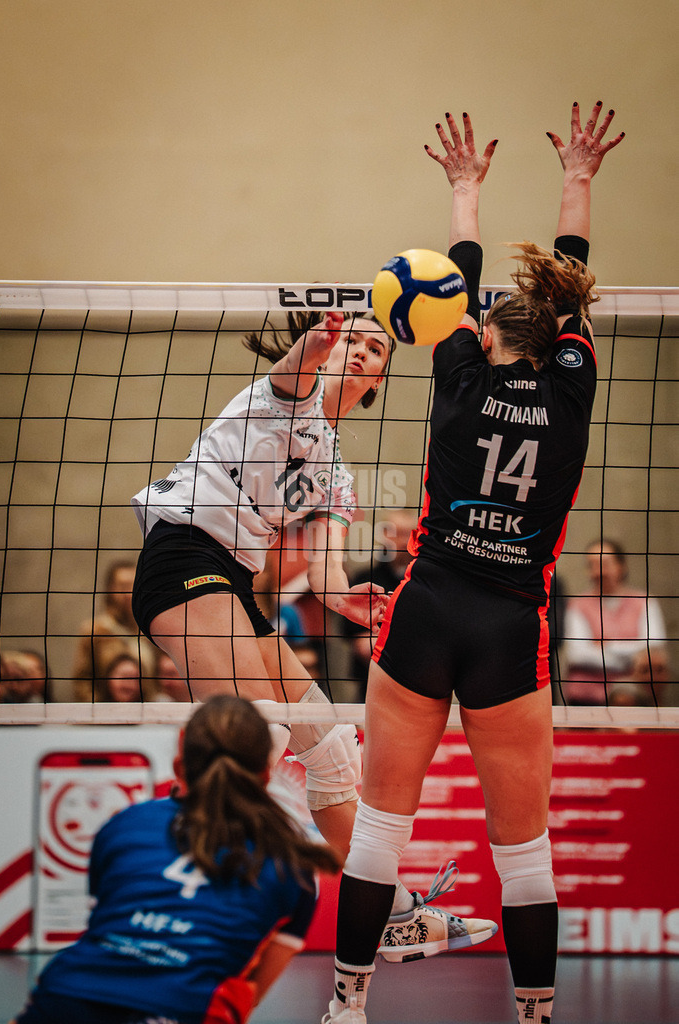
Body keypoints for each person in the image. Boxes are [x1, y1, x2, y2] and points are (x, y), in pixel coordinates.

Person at [321, 101, 624, 1024]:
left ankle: (346, 1006)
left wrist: (463, 192)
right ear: (559, 343)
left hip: (428, 606)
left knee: (378, 831)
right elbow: (565, 290)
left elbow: (455, 284)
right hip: (507, 625)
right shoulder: (571, 397)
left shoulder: (459, 382)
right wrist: (578, 180)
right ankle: (532, 1014)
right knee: (522, 852)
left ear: (487, 337)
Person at [131, 309, 494, 951]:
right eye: (352, 339)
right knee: (253, 738)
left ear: (380, 378)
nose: (360, 351)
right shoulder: (281, 399)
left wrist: (344, 599)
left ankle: (393, 913)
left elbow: (323, 570)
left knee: (328, 743)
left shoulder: (335, 472)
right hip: (185, 557)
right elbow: (292, 372)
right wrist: (316, 341)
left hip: (232, 581)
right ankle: (164, 901)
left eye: (375, 347)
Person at [11, 695, 342, 1024]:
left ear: (178, 768)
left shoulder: (125, 824)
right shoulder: (294, 865)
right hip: (182, 1009)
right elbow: (249, 995)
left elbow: (109, 920)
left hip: (67, 995)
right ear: (266, 776)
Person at [563, 538, 668, 705]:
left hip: (636, 700)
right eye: (592, 565)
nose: (598, 572)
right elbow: (577, 655)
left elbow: (653, 646)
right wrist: (632, 658)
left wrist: (605, 646)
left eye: (604, 564)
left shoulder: (645, 601)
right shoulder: (577, 605)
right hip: (586, 699)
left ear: (621, 566)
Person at [343, 509, 418, 700]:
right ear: (384, 535)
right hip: (370, 682)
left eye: (404, 534)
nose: (399, 540)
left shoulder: (424, 583)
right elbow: (361, 645)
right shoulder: (365, 579)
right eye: (392, 532)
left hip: (417, 683)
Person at [72, 559, 157, 701]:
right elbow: (82, 681)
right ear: (110, 589)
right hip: (107, 714)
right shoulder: (96, 630)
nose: (128, 593)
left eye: (133, 586)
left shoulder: (152, 630)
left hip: (148, 714)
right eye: (123, 586)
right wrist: (101, 712)